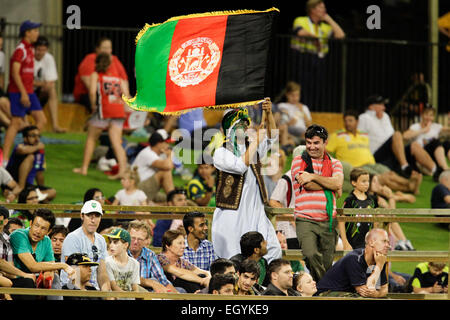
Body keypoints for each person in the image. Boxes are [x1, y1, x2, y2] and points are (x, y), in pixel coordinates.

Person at [212, 99, 282, 264]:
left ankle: (264, 285)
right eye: (239, 125)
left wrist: (269, 113)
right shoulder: (221, 152)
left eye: (245, 125)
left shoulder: (252, 146)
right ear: (229, 129)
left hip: (256, 210)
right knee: (234, 256)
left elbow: (273, 137)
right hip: (232, 214)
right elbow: (240, 166)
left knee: (273, 249)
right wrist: (257, 140)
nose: (244, 129)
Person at [290, 124, 343, 281]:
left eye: (316, 143)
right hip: (305, 218)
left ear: (325, 142)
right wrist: (329, 183)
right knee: (310, 254)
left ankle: (320, 291)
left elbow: (338, 184)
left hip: (329, 220)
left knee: (327, 263)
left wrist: (312, 176)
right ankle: (326, 286)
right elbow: (307, 185)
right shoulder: (299, 161)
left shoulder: (335, 163)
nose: (311, 147)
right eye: (308, 143)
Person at [326, 109, 422, 195]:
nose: (347, 123)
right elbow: (326, 151)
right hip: (357, 167)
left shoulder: (364, 135)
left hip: (372, 163)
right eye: (345, 121)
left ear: (357, 122)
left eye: (350, 121)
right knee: (383, 179)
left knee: (390, 174)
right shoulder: (337, 135)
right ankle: (409, 185)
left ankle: (409, 185)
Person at [73, 52, 129, 179]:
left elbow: (92, 93)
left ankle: (84, 168)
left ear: (97, 63)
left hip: (104, 110)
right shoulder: (118, 78)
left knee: (91, 138)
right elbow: (126, 95)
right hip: (118, 110)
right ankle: (123, 171)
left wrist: (93, 106)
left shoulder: (96, 75)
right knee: (116, 143)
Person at [358, 95, 439, 180]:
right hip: (377, 153)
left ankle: (436, 171)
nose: (384, 107)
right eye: (381, 105)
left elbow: (391, 135)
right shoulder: (364, 118)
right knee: (397, 134)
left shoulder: (385, 116)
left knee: (414, 145)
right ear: (371, 106)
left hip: (392, 150)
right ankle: (405, 167)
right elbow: (359, 138)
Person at [3, 20, 47, 167]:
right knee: (15, 123)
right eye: (35, 30)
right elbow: (15, 73)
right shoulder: (20, 49)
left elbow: (27, 74)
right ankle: (5, 159)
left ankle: (25, 147)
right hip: (19, 92)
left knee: (41, 120)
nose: (37, 33)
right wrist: (23, 93)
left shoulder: (30, 49)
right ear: (27, 32)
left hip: (29, 91)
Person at [290, 0, 345, 109]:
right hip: (302, 57)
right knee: (303, 85)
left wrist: (329, 19)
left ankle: (313, 109)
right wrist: (315, 39)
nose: (324, 10)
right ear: (312, 9)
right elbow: (300, 32)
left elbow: (341, 35)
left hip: (319, 59)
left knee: (317, 87)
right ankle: (302, 108)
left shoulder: (324, 27)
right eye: (321, 8)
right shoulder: (301, 20)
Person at [9, 209, 75, 294]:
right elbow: (32, 266)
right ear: (30, 223)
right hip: (15, 279)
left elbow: (51, 265)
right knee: (29, 281)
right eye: (36, 226)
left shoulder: (46, 240)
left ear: (49, 231)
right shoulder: (18, 235)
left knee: (54, 277)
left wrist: (48, 273)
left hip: (34, 279)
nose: (38, 231)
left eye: (43, 228)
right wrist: (63, 265)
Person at [316, 228, 389, 298]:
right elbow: (366, 292)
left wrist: (377, 294)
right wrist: (379, 266)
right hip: (327, 293)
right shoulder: (354, 258)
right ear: (371, 242)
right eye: (384, 241)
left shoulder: (380, 260)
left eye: (388, 242)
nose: (388, 245)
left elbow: (384, 289)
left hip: (347, 294)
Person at [61, 200, 111, 292]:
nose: (93, 220)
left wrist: (106, 293)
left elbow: (102, 272)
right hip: (72, 288)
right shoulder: (73, 238)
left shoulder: (101, 240)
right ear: (82, 216)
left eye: (97, 216)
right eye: (89, 215)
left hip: (92, 288)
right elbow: (74, 274)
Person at [73, 37, 129, 113]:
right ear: (97, 49)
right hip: (94, 95)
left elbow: (125, 85)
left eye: (109, 48)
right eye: (104, 48)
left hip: (110, 98)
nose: (106, 51)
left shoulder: (114, 61)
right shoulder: (91, 60)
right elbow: (91, 90)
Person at [6, 125, 56, 202]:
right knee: (30, 157)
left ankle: (30, 197)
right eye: (33, 136)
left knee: (52, 192)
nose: (37, 139)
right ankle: (21, 190)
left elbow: (39, 173)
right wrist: (38, 147)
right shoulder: (20, 147)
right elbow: (22, 150)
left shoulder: (39, 152)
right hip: (13, 183)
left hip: (28, 186)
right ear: (25, 138)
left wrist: (40, 189)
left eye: (38, 136)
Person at [127, 220, 178, 293]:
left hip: (148, 292)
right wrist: (151, 283)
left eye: (140, 239)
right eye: (133, 238)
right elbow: (126, 278)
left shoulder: (150, 255)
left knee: (179, 290)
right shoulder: (121, 251)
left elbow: (162, 279)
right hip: (127, 290)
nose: (135, 242)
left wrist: (177, 295)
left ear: (146, 241)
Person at [403, 106, 449, 181]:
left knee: (442, 143)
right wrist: (423, 130)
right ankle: (439, 170)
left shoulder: (436, 126)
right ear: (422, 115)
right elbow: (405, 136)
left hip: (434, 155)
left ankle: (445, 168)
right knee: (428, 143)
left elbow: (448, 130)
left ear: (433, 117)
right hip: (421, 156)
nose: (428, 117)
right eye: (426, 114)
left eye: (431, 115)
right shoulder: (415, 126)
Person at [0, 206, 36, 300]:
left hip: (4, 277)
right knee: (7, 283)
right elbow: (1, 262)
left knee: (27, 282)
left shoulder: (7, 240)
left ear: (5, 221)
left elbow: (9, 268)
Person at [339, 168, 378, 251]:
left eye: (368, 181)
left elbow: (375, 220)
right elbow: (341, 221)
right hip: (352, 242)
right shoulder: (350, 200)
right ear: (354, 182)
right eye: (363, 181)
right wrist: (345, 242)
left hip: (367, 243)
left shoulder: (372, 200)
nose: (367, 184)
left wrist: (375, 239)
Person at [33, 35, 66, 133]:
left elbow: (51, 82)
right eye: (38, 50)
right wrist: (42, 84)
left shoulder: (49, 58)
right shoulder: (29, 56)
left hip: (39, 93)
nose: (40, 53)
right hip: (27, 91)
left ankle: (55, 125)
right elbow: (26, 82)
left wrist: (41, 84)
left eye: (43, 50)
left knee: (52, 90)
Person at [132, 130, 175, 204]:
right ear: (158, 143)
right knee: (165, 172)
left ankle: (174, 201)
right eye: (166, 142)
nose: (168, 145)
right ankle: (175, 201)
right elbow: (167, 166)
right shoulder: (147, 153)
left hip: (146, 189)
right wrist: (170, 154)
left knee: (167, 199)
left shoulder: (158, 154)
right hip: (137, 190)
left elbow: (172, 165)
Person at [103, 228, 140, 297]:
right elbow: (113, 287)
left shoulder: (135, 263)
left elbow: (135, 288)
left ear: (125, 245)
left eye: (115, 242)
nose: (111, 245)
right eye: (110, 242)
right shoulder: (107, 262)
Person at [0, 32, 11, 128]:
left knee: (5, 102)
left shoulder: (1, 55)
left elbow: (1, 75)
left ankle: (16, 123)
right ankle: (10, 125)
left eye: (1, 45)